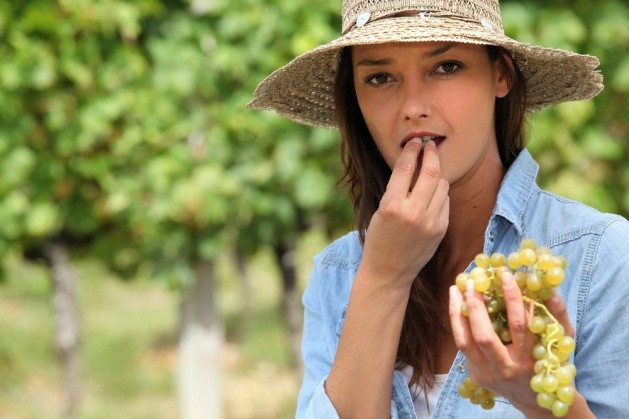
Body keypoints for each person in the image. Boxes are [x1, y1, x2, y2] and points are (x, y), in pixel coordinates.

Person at [249, 0, 629, 418]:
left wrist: (538, 399)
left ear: (500, 74)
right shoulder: (338, 274)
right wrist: (384, 277)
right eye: (379, 77)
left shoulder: (600, 257)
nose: (413, 105)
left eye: (446, 67)